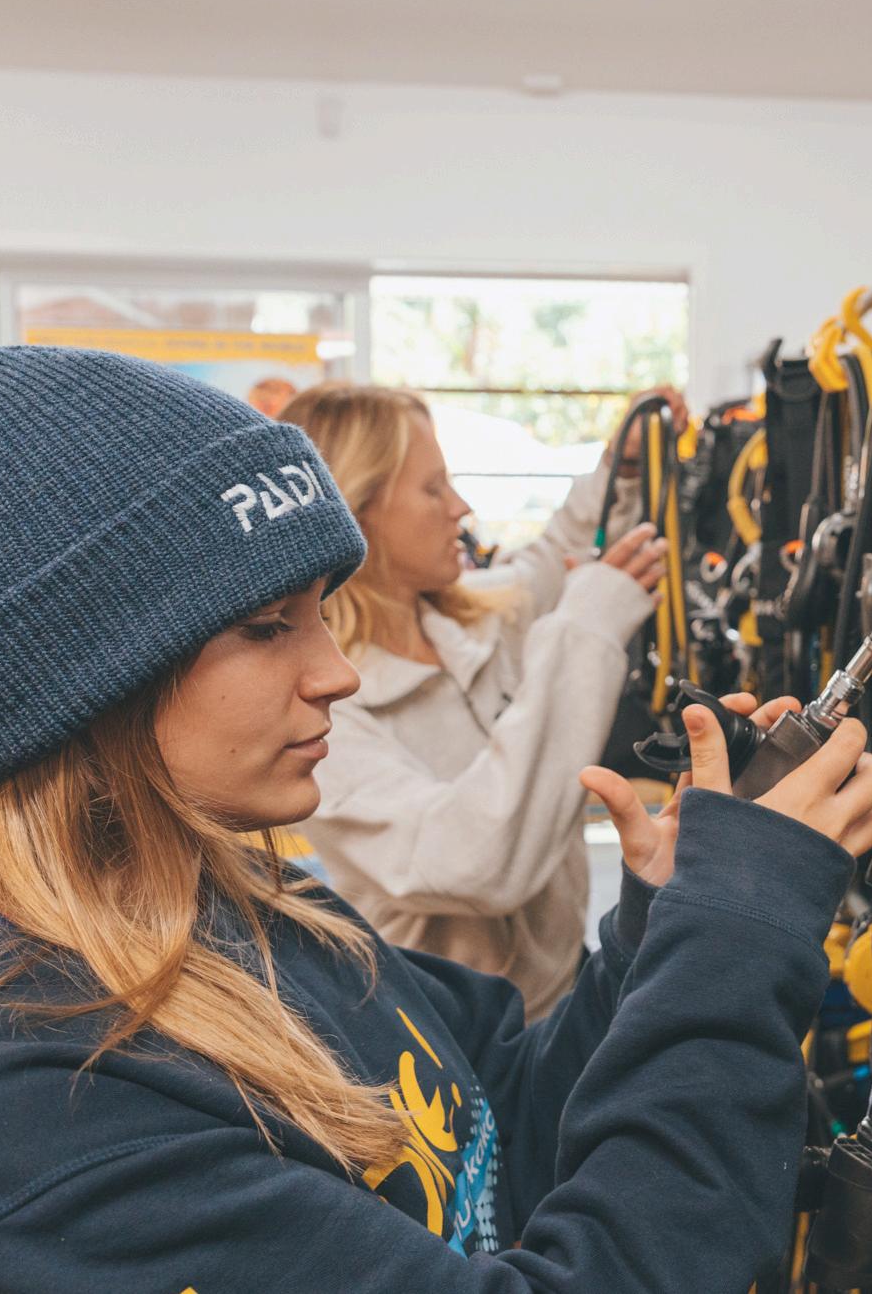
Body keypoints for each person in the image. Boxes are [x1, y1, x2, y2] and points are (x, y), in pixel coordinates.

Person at [0, 346, 872, 1292]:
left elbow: (506, 1121)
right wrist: (736, 942)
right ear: (88, 678)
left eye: (322, 612)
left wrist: (666, 917)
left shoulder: (258, 907)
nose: (336, 671)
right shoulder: (21, 1102)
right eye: (267, 625)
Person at [280, 382, 683, 1019]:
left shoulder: (472, 623)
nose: (460, 508)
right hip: (449, 1036)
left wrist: (621, 467)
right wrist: (585, 628)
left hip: (562, 986)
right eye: (433, 488)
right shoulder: (323, 714)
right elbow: (476, 862)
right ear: (356, 512)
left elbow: (556, 554)